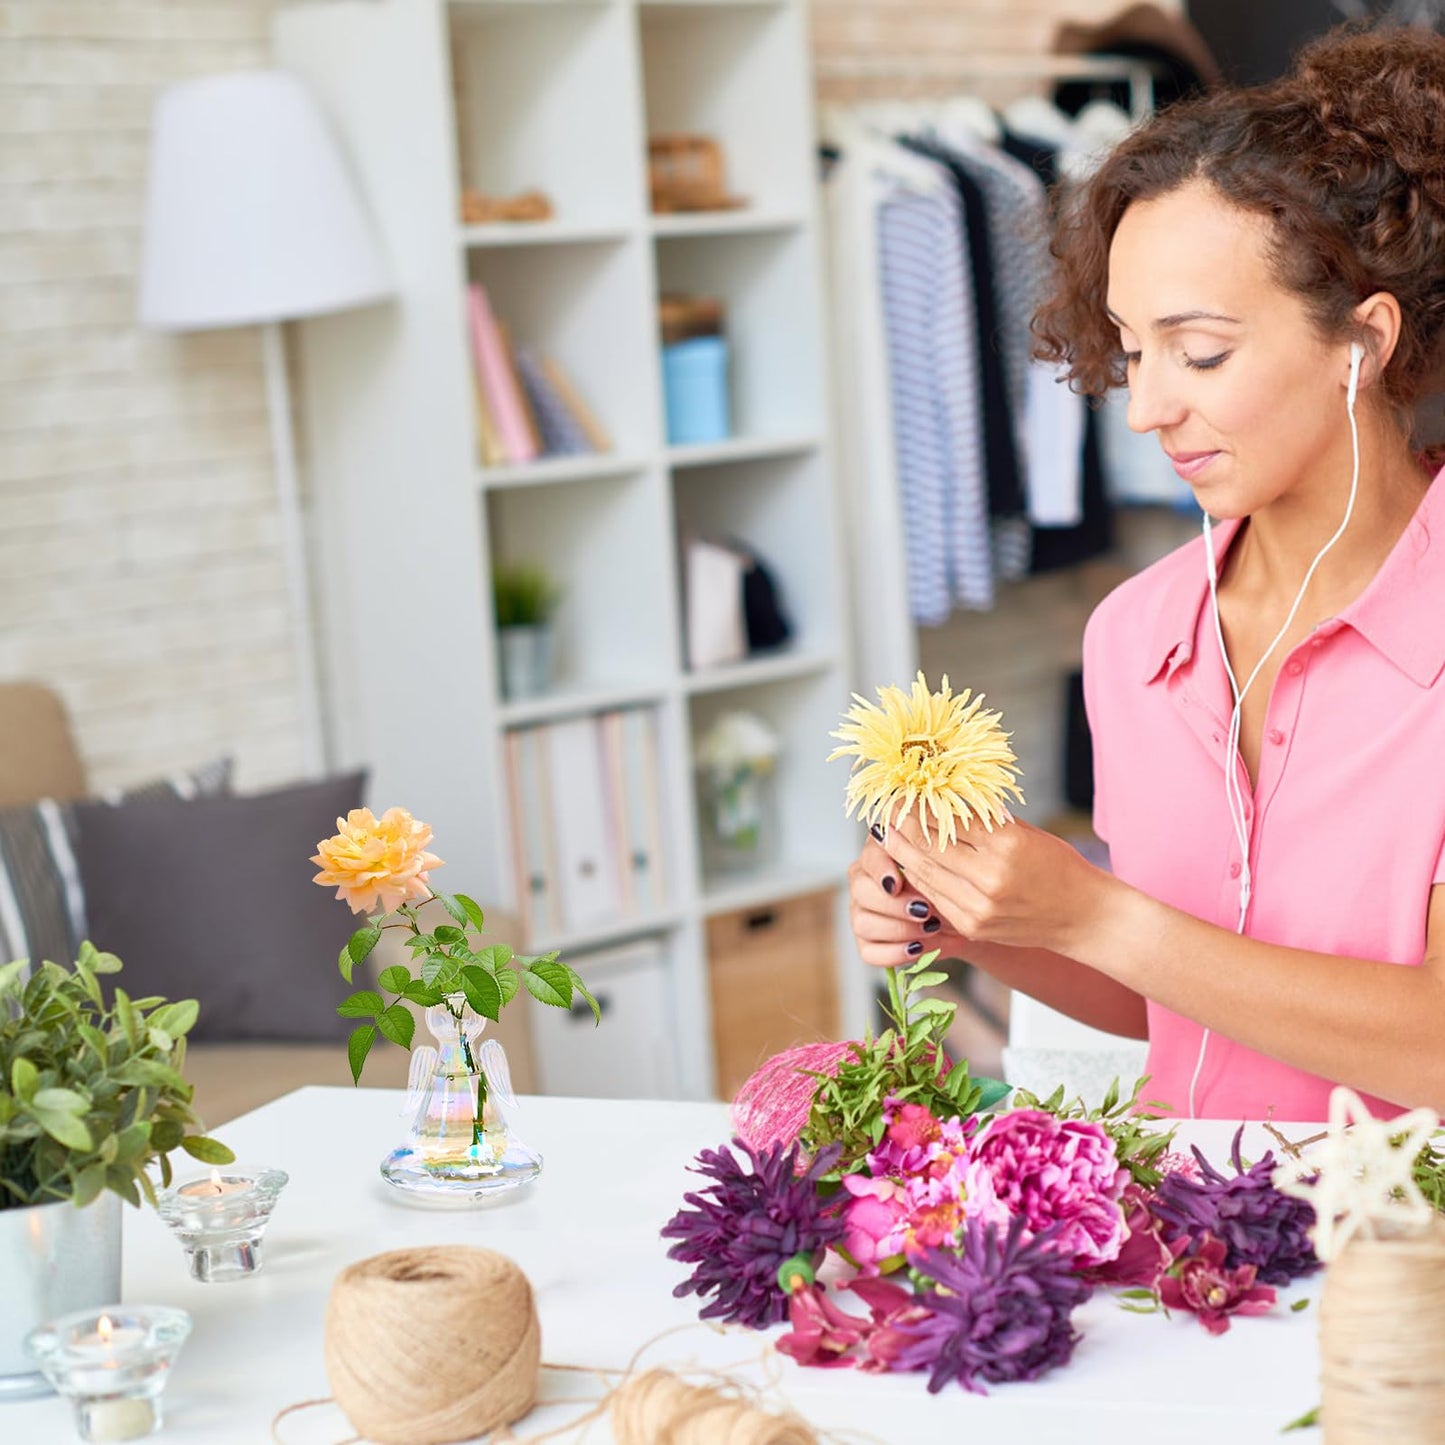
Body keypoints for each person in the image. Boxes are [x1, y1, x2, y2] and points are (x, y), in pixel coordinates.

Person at [848, 24, 1445, 1121]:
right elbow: (1163, 1000)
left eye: (1199, 351)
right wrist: (979, 912)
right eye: (1129, 349)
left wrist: (1095, 912)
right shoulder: (1135, 635)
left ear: (1360, 342)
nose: (1144, 406)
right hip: (1194, 1258)